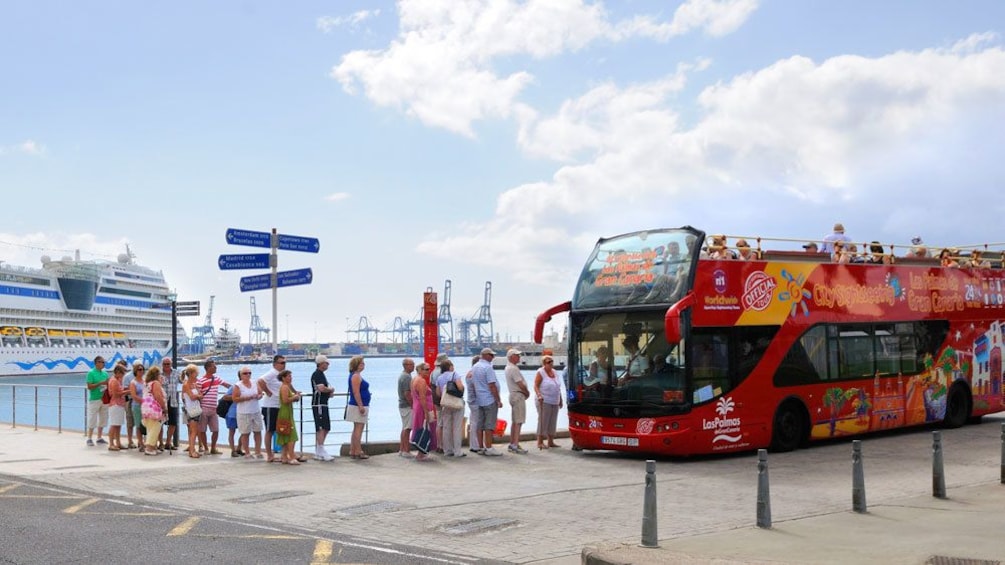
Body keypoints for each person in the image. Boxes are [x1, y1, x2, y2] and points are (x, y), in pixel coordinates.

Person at [471, 347, 503, 456]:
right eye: (491, 355)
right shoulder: (488, 367)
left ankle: (481, 447)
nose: (493, 357)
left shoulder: (475, 367)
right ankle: (489, 447)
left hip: (479, 399)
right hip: (489, 399)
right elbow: (492, 385)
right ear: (485, 355)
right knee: (489, 425)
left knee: (480, 425)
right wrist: (498, 400)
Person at [196, 360, 230, 455]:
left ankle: (213, 448)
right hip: (204, 408)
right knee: (202, 430)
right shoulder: (200, 381)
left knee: (215, 430)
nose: (216, 368)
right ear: (208, 368)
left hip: (214, 409)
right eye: (214, 366)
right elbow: (198, 394)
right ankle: (206, 448)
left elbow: (227, 385)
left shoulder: (216, 378)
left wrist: (237, 388)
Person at [256, 355, 286, 463]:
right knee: (270, 430)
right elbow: (260, 381)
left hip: (279, 406)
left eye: (284, 363)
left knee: (281, 430)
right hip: (270, 406)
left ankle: (283, 454)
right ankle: (269, 455)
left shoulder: (281, 375)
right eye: (281, 363)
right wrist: (268, 392)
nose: (283, 365)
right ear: (275, 364)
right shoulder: (272, 373)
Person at [435, 359, 466, 457]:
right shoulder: (455, 374)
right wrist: (462, 389)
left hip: (446, 404)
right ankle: (457, 451)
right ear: (450, 367)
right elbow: (460, 387)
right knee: (457, 427)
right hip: (456, 403)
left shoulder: (439, 378)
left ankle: (447, 450)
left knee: (446, 427)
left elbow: (438, 393)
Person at [233, 366, 264, 460]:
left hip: (255, 410)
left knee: (258, 431)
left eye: (249, 373)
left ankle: (258, 451)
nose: (248, 375)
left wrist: (258, 396)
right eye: (245, 373)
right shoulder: (238, 385)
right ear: (241, 375)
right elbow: (235, 399)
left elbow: (260, 393)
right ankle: (247, 452)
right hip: (244, 412)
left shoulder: (255, 383)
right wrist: (247, 398)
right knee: (245, 433)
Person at [534, 355, 564, 449]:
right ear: (544, 363)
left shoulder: (554, 372)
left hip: (554, 400)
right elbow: (536, 385)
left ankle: (550, 441)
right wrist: (539, 395)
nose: (551, 363)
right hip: (544, 400)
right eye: (548, 362)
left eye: (552, 361)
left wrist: (560, 399)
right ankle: (540, 442)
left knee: (552, 421)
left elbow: (557, 387)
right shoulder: (540, 372)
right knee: (543, 421)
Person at [503, 349, 529, 454]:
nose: (519, 357)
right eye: (517, 355)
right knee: (519, 421)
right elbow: (520, 383)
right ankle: (515, 444)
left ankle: (512, 443)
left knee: (515, 421)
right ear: (511, 357)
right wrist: (526, 392)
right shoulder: (513, 368)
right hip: (518, 395)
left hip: (513, 395)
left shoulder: (508, 367)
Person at [310, 355, 335, 461]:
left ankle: (320, 448)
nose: (328, 365)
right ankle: (320, 449)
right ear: (321, 363)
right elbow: (321, 388)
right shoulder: (317, 374)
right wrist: (330, 389)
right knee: (321, 427)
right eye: (326, 363)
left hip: (324, 403)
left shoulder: (321, 375)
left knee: (326, 427)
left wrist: (329, 391)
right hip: (319, 403)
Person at [346, 355, 371, 459]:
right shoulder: (356, 376)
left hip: (358, 404)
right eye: (361, 363)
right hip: (358, 405)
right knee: (359, 429)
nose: (363, 365)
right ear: (356, 365)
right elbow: (356, 392)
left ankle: (353, 449)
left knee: (356, 428)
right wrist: (361, 406)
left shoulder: (356, 375)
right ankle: (357, 450)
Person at [410, 362, 436, 461]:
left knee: (420, 428)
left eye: (429, 369)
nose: (429, 371)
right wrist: (426, 412)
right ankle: (421, 453)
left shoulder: (414, 380)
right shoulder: (421, 381)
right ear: (420, 370)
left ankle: (420, 452)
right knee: (425, 429)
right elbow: (422, 398)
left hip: (417, 407)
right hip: (422, 408)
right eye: (426, 369)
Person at [276, 369, 302, 465]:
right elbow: (285, 400)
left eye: (291, 376)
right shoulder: (284, 387)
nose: (290, 378)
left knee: (285, 434)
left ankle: (284, 456)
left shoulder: (286, 387)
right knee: (291, 435)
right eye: (288, 376)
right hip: (285, 412)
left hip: (287, 411)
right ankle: (291, 456)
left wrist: (295, 397)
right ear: (283, 378)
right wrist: (295, 397)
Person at [141, 366, 166, 456]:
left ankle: (153, 447)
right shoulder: (156, 383)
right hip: (154, 409)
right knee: (155, 428)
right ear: (156, 374)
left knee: (150, 428)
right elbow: (158, 396)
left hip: (146, 408)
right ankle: (149, 447)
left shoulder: (147, 383)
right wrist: (164, 407)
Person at [84, 356, 109, 447]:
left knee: (103, 418)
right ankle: (89, 438)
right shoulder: (91, 373)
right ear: (97, 362)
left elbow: (107, 384)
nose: (104, 364)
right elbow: (89, 386)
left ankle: (99, 437)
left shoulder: (105, 373)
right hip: (95, 399)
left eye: (104, 362)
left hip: (104, 399)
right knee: (92, 418)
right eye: (102, 362)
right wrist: (100, 384)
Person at [180, 363, 203, 459]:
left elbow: (200, 395)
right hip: (191, 409)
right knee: (193, 431)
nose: (197, 374)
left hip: (196, 409)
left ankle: (192, 449)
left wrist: (198, 396)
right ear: (191, 373)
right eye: (195, 373)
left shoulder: (194, 384)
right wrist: (198, 396)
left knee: (193, 431)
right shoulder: (186, 384)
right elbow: (192, 397)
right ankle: (192, 451)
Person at [105, 364, 128, 451]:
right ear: (118, 372)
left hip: (119, 404)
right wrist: (127, 392)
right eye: (122, 373)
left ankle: (118, 442)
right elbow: (115, 394)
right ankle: (111, 443)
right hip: (115, 404)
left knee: (118, 425)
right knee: (114, 424)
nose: (123, 375)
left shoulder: (117, 380)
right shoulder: (114, 381)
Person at [160, 357, 180, 451]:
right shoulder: (159, 374)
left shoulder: (176, 372)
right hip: (161, 402)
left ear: (171, 364)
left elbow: (183, 381)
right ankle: (160, 443)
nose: (167, 366)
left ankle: (168, 442)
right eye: (165, 364)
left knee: (173, 423)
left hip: (173, 401)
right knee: (160, 423)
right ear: (162, 365)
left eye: (168, 364)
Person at [397, 358, 415, 458]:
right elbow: (407, 393)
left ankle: (402, 449)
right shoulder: (407, 377)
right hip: (406, 405)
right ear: (406, 365)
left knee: (404, 427)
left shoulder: (404, 376)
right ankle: (406, 450)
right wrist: (413, 405)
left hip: (402, 405)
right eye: (411, 364)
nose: (413, 366)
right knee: (407, 428)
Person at [128, 361, 146, 452]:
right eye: (139, 369)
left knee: (146, 424)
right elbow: (133, 395)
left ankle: (146, 442)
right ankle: (141, 443)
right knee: (138, 425)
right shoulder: (133, 382)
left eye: (142, 369)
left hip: (146, 407)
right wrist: (143, 401)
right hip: (137, 406)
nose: (141, 371)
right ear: (135, 371)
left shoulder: (145, 381)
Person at [465, 355, 482, 454]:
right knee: (476, 423)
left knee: (473, 422)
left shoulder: (469, 373)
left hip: (471, 400)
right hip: (476, 401)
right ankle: (476, 445)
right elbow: (477, 388)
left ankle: (473, 444)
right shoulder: (474, 374)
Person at [221, 383, 241, 457]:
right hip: (233, 412)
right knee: (232, 432)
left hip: (243, 412)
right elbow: (225, 397)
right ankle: (233, 450)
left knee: (245, 432)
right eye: (245, 374)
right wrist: (237, 397)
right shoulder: (234, 387)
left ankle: (239, 448)